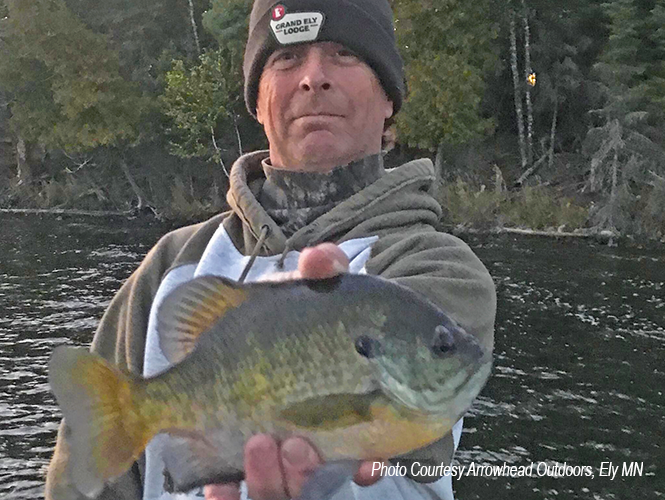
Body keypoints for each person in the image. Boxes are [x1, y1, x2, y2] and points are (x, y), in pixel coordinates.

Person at [44, 0, 497, 499]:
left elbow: (403, 461)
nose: (314, 78)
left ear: (389, 97)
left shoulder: (438, 269)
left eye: (344, 54)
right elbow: (82, 481)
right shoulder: (171, 265)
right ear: (257, 103)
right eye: (286, 58)